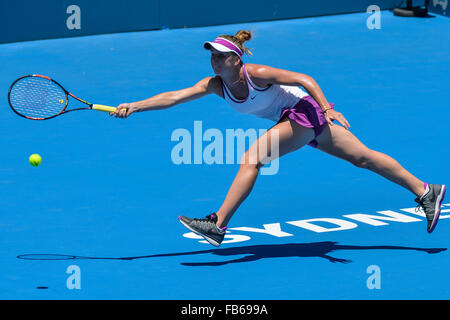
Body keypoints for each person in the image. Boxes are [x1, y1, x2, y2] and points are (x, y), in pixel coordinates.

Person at [111, 30, 446, 247]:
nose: (213, 60)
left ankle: (218, 224)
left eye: (219, 55)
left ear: (235, 59)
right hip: (297, 119)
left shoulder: (255, 73)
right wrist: (134, 106)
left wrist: (327, 108)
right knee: (363, 157)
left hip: (303, 112)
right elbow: (174, 97)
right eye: (210, 55)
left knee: (252, 159)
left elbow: (304, 78)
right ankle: (425, 191)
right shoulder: (214, 84)